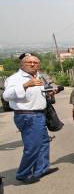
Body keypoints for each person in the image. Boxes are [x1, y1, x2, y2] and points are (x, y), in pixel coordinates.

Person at [2, 53, 59, 184]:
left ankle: (42, 168)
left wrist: (48, 92)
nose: (33, 64)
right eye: (29, 62)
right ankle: (23, 173)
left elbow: (36, 94)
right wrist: (25, 85)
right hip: (27, 115)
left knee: (44, 142)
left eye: (36, 63)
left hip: (39, 114)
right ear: (22, 64)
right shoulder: (15, 78)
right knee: (33, 146)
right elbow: (6, 95)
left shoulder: (37, 76)